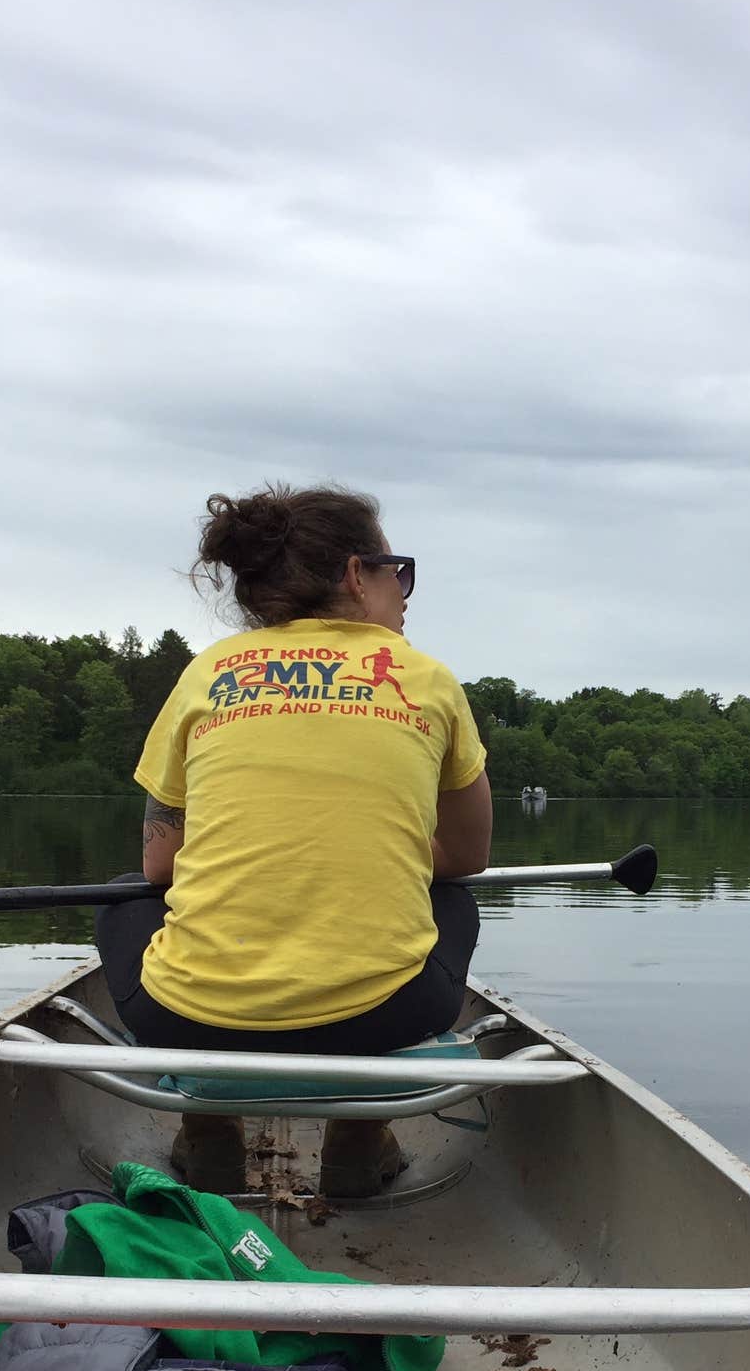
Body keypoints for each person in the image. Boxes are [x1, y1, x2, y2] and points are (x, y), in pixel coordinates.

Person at [95, 483, 492, 1199]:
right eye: (395, 570)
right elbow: (466, 858)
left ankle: (210, 1135)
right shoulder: (428, 681)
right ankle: (358, 1141)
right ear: (353, 574)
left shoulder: (205, 674)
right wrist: (395, 860)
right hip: (383, 1014)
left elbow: (160, 865)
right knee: (453, 901)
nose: (404, 593)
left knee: (127, 897)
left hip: (191, 1014)